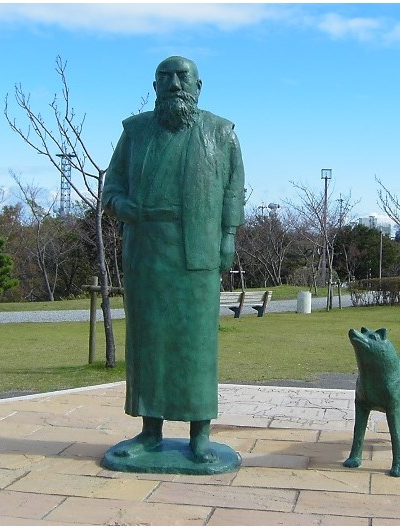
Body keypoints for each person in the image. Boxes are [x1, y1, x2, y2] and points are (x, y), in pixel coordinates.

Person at [102, 56, 245, 463]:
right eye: (166, 77)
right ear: (154, 85)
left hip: (198, 247)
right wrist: (126, 206)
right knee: (149, 341)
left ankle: (200, 433)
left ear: (199, 86)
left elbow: (234, 190)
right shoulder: (135, 132)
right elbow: (111, 187)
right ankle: (149, 431)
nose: (175, 84)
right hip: (146, 250)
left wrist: (228, 237)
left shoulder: (221, 132)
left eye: (183, 77)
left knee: (195, 342)